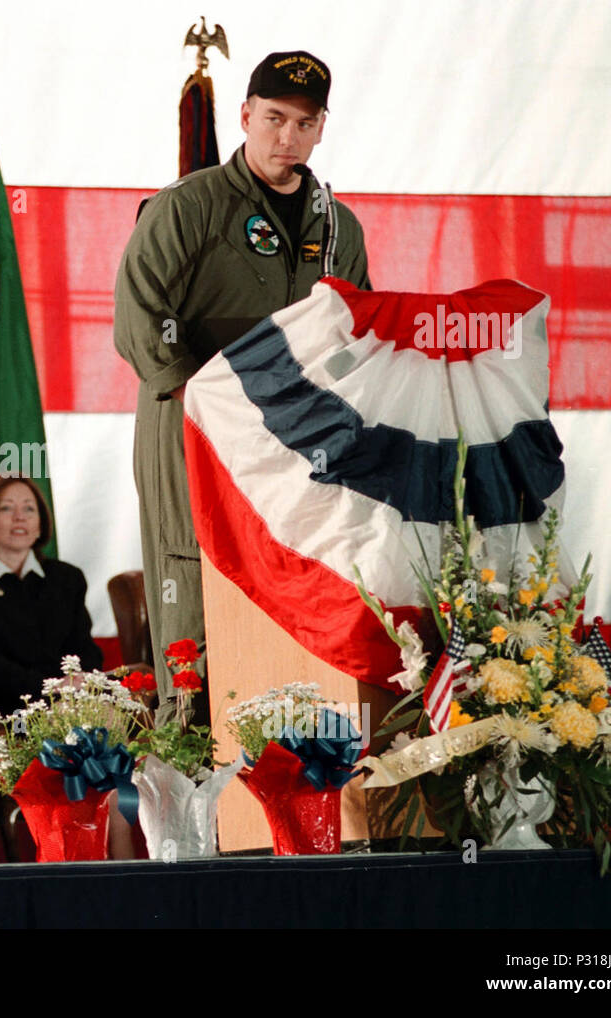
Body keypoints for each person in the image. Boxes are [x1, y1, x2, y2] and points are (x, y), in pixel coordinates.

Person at [113, 50, 371, 721]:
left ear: (321, 129)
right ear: (246, 116)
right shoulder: (187, 207)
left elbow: (355, 333)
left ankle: (287, 762)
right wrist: (206, 397)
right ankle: (190, 756)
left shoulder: (338, 227)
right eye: (275, 118)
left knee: (285, 579)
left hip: (291, 448)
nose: (287, 136)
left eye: (304, 123)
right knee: (193, 581)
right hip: (191, 429)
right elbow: (140, 317)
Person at [0, 476, 102, 713]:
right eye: (6, 508)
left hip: (72, 699)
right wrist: (50, 687)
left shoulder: (67, 578)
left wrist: (76, 682)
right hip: (10, 706)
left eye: (29, 508)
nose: (20, 517)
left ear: (40, 523)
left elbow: (85, 649)